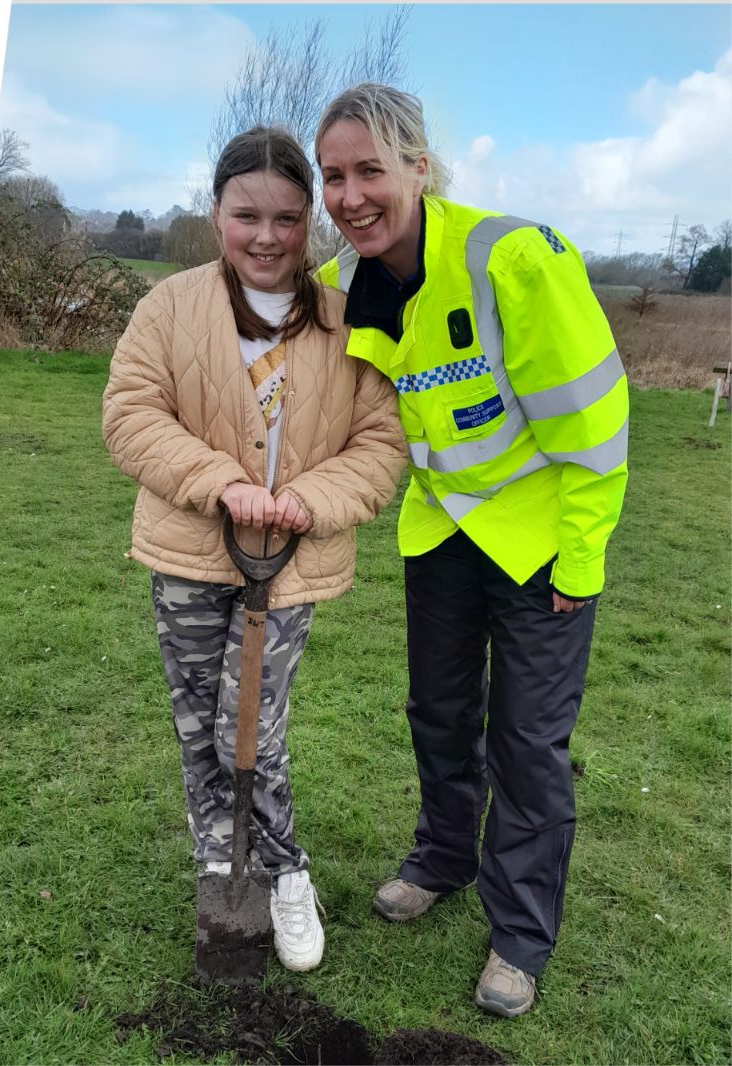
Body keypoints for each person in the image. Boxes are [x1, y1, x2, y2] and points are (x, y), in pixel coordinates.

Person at [312, 84, 629, 1018]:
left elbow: (597, 423)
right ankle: (443, 858)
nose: (350, 196)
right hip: (441, 534)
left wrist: (581, 557)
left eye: (371, 170)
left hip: (539, 542)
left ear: (420, 167)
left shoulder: (511, 259)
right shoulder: (341, 285)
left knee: (528, 743)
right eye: (333, 176)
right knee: (441, 716)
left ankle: (520, 936)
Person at [103, 126, 405, 975]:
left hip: (289, 563)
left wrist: (311, 500)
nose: (266, 238)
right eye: (246, 217)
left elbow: (381, 441)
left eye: (286, 219)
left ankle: (286, 872)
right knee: (197, 722)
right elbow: (130, 413)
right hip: (189, 554)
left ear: (311, 222)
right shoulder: (170, 308)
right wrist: (221, 483)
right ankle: (219, 864)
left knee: (253, 727)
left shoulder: (347, 319)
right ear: (216, 215)